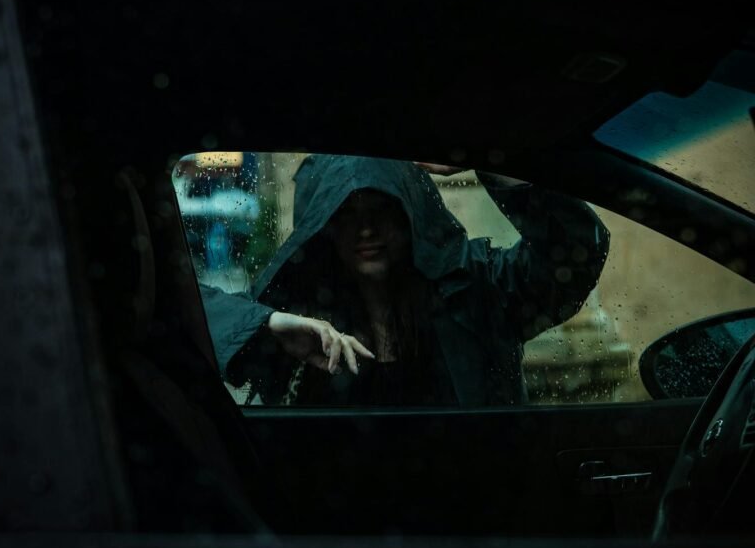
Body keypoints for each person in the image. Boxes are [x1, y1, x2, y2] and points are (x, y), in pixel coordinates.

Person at [200, 154, 610, 407]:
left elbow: (574, 250)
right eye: (346, 214)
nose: (366, 230)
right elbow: (181, 314)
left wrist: (494, 161)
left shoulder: (478, 287)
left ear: (410, 212)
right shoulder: (299, 316)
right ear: (323, 227)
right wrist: (269, 325)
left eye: (382, 209)